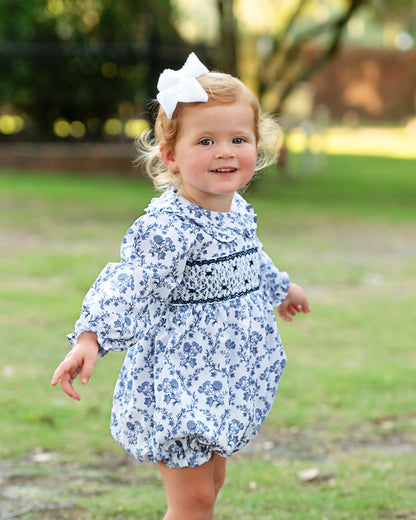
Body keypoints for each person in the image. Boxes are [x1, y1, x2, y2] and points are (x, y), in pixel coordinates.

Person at [51, 52, 310, 520]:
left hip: (223, 373)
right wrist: (90, 336)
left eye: (239, 138)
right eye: (206, 141)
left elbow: (249, 257)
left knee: (211, 485)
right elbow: (132, 283)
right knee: (192, 503)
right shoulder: (170, 227)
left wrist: (280, 288)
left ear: (259, 144)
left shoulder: (233, 211)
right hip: (181, 382)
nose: (225, 151)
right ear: (170, 156)